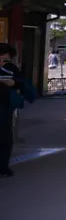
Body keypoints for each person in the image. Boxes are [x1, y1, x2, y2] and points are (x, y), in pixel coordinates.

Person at [0, 44, 23, 177]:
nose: (2, 58)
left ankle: (3, 166)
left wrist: (13, 83)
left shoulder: (11, 68)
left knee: (5, 137)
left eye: (6, 56)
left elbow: (21, 81)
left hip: (4, 105)